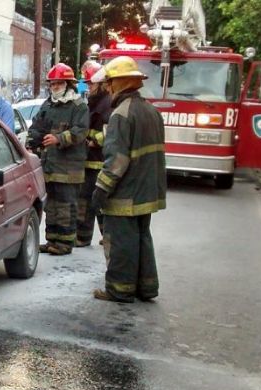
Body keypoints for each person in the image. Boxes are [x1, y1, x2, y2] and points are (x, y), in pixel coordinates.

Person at [90, 56, 166, 303]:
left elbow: (117, 160)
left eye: (110, 82)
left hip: (126, 194)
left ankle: (119, 289)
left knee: (121, 240)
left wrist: (100, 190)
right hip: (148, 191)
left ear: (120, 83)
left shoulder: (121, 114)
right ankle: (146, 287)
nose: (107, 88)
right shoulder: (151, 111)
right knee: (142, 238)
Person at [26, 63, 89, 255]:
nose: (55, 87)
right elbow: (37, 126)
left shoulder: (79, 106)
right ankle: (52, 239)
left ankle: (65, 242)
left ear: (69, 84)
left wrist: (59, 139)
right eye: (52, 84)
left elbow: (81, 131)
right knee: (51, 204)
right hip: (50, 165)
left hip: (69, 167)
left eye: (59, 83)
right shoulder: (48, 104)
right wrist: (30, 141)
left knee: (66, 205)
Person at [75, 60, 111, 247]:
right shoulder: (95, 101)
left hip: (100, 161)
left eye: (91, 83)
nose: (88, 87)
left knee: (95, 200)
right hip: (89, 160)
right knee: (86, 199)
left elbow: (109, 134)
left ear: (101, 83)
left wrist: (93, 139)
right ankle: (84, 236)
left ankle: (103, 236)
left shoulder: (107, 103)